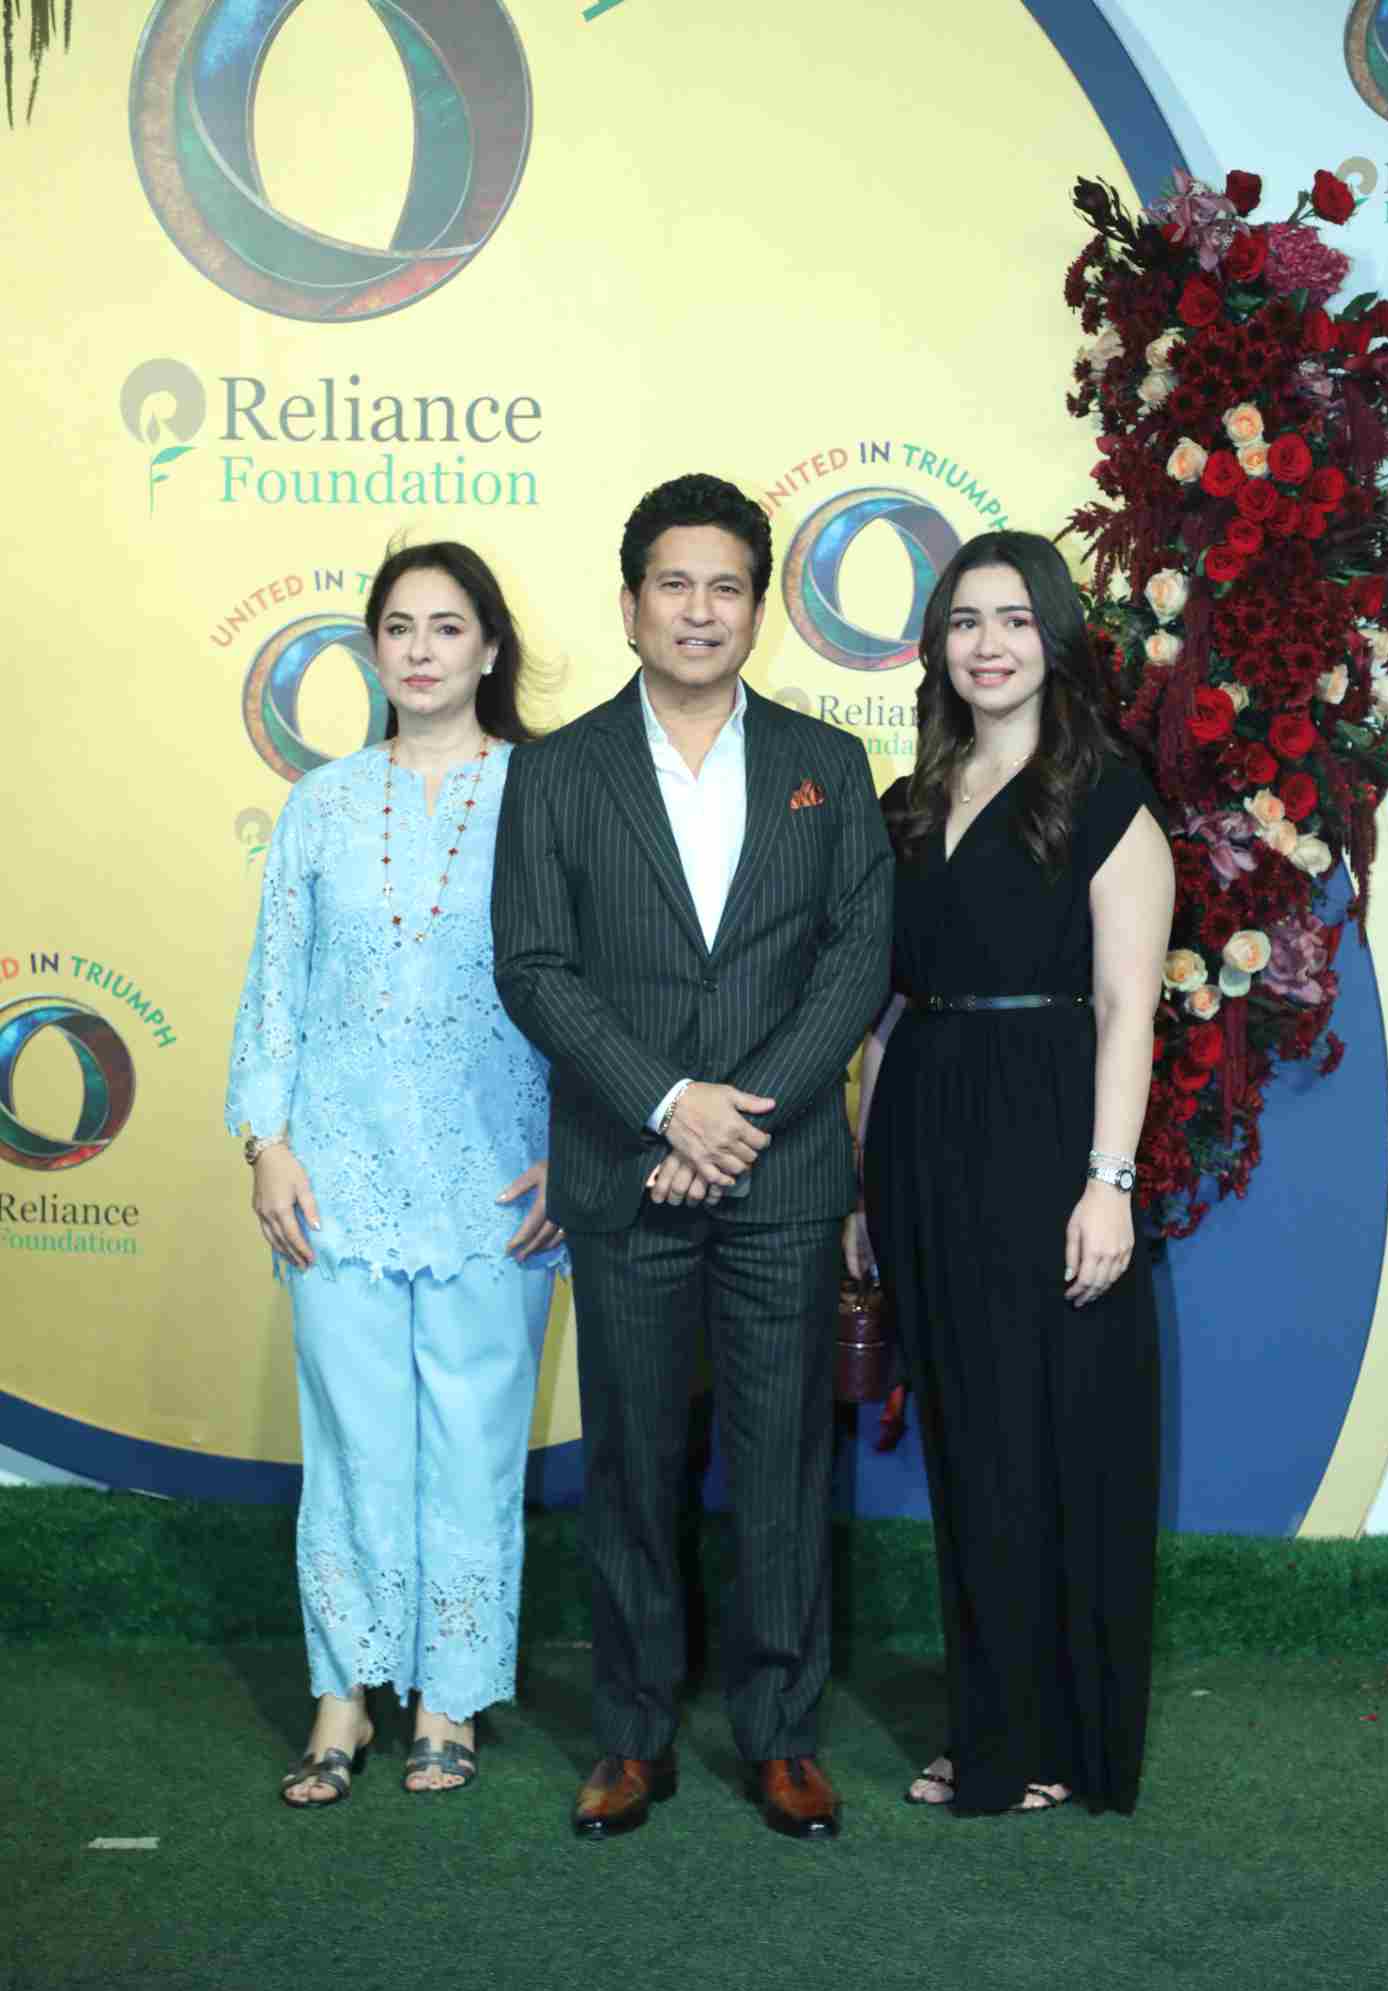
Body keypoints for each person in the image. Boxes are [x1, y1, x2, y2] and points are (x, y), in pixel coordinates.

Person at [492, 473, 893, 1840]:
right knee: (633, 1461)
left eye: (726, 586)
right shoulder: (556, 771)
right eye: (674, 583)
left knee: (780, 1460)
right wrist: (668, 1105)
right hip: (628, 1168)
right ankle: (632, 1733)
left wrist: (735, 1118)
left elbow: (853, 961)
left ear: (758, 608)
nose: (700, 609)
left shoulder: (826, 762)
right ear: (629, 605)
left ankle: (782, 1735)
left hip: (778, 1177)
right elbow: (534, 967)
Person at [227, 540, 564, 1808]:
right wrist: (267, 1142)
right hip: (336, 1177)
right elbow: (275, 984)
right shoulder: (322, 802)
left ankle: (449, 1696)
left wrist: (573, 1153)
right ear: (373, 650)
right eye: (399, 627)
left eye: (447, 625)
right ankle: (343, 1693)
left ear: (489, 647)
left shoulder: (545, 794)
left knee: (474, 1442)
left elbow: (587, 991)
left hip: (498, 1179)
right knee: (352, 1440)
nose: (421, 649)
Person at [847, 530, 1173, 1817]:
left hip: (1044, 1134)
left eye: (1013, 619)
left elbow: (1126, 1006)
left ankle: (1040, 1738)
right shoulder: (909, 798)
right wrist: (862, 1183)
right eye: (964, 621)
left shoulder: (1104, 794)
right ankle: (988, 1720)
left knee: (1038, 1439)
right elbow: (880, 1010)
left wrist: (1107, 1181)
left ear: (1055, 637)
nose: (987, 644)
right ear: (936, 645)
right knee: (964, 1441)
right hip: (920, 1130)